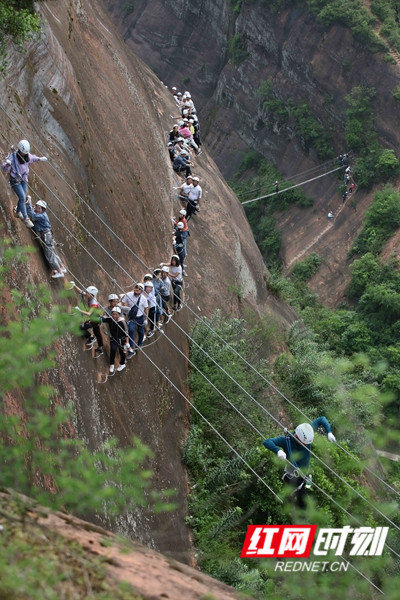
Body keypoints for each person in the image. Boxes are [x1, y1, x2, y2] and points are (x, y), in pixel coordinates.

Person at [263, 417, 336, 508]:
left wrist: (329, 432)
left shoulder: (306, 431)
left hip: (304, 473)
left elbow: (322, 419)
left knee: (304, 491)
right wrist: (278, 451)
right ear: (297, 436)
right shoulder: (286, 440)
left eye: (307, 444)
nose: (306, 445)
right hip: (294, 475)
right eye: (304, 443)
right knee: (302, 500)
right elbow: (267, 442)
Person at [1, 140, 48, 228]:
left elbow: (32, 158)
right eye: (23, 152)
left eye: (25, 153)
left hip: (23, 179)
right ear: (19, 150)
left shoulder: (26, 156)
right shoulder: (13, 157)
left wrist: (39, 159)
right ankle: (26, 219)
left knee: (23, 197)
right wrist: (7, 165)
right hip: (15, 181)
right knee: (22, 197)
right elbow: (3, 168)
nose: (24, 154)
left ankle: (18, 212)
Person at [25, 197, 66, 279]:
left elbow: (32, 215)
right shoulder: (42, 214)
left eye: (39, 208)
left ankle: (59, 271)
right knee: (53, 251)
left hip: (46, 235)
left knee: (49, 254)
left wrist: (28, 204)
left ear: (43, 209)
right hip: (48, 234)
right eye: (37, 207)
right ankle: (62, 267)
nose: (37, 209)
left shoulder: (42, 216)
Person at [71, 283, 104, 357]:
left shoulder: (94, 303)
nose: (86, 294)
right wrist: (74, 285)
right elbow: (81, 292)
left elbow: (89, 313)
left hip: (95, 319)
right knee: (97, 332)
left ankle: (91, 337)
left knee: (81, 328)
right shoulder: (90, 296)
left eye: (88, 293)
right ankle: (100, 347)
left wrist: (79, 310)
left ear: (92, 295)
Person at [121, 282, 149, 358]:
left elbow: (146, 308)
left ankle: (140, 343)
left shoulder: (143, 299)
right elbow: (123, 302)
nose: (137, 289)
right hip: (132, 317)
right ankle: (132, 348)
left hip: (140, 317)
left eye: (139, 289)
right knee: (131, 330)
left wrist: (145, 319)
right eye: (136, 287)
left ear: (141, 291)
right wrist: (125, 310)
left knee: (141, 331)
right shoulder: (128, 295)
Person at [102, 306, 129, 374]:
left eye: (115, 314)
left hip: (122, 339)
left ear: (119, 314)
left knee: (122, 352)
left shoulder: (122, 322)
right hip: (113, 338)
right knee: (113, 349)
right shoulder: (110, 319)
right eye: (113, 314)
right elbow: (102, 319)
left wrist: (127, 342)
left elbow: (126, 333)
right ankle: (112, 364)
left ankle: (122, 364)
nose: (114, 316)